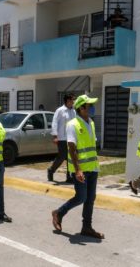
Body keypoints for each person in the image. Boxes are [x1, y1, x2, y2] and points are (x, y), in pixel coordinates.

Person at [51, 94, 104, 239]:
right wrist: (78, 169)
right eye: (89, 106)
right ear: (81, 108)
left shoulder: (91, 122)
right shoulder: (72, 124)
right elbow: (71, 148)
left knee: (90, 198)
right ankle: (59, 213)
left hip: (93, 167)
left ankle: (87, 227)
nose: (93, 108)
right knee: (81, 197)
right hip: (80, 169)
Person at [47, 93, 76, 182]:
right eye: (72, 100)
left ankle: (69, 176)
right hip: (62, 138)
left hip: (71, 138)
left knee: (70, 157)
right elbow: (54, 123)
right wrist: (55, 136)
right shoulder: (60, 110)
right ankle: (51, 170)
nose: (73, 101)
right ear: (67, 101)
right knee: (62, 156)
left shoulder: (73, 111)